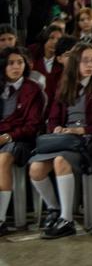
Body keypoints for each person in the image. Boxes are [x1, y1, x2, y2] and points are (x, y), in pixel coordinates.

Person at [27, 42, 92, 239]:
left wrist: (81, 130)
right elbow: (53, 117)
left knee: (60, 161)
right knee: (35, 169)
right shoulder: (65, 84)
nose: (90, 65)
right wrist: (56, 128)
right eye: (85, 60)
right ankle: (54, 209)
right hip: (65, 139)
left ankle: (67, 220)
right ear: (75, 62)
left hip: (89, 141)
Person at [0, 47, 43, 233]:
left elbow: (32, 126)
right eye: (11, 63)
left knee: (3, 159)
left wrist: (7, 136)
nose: (16, 67)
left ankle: (0, 219)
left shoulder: (32, 89)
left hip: (21, 140)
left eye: (20, 62)